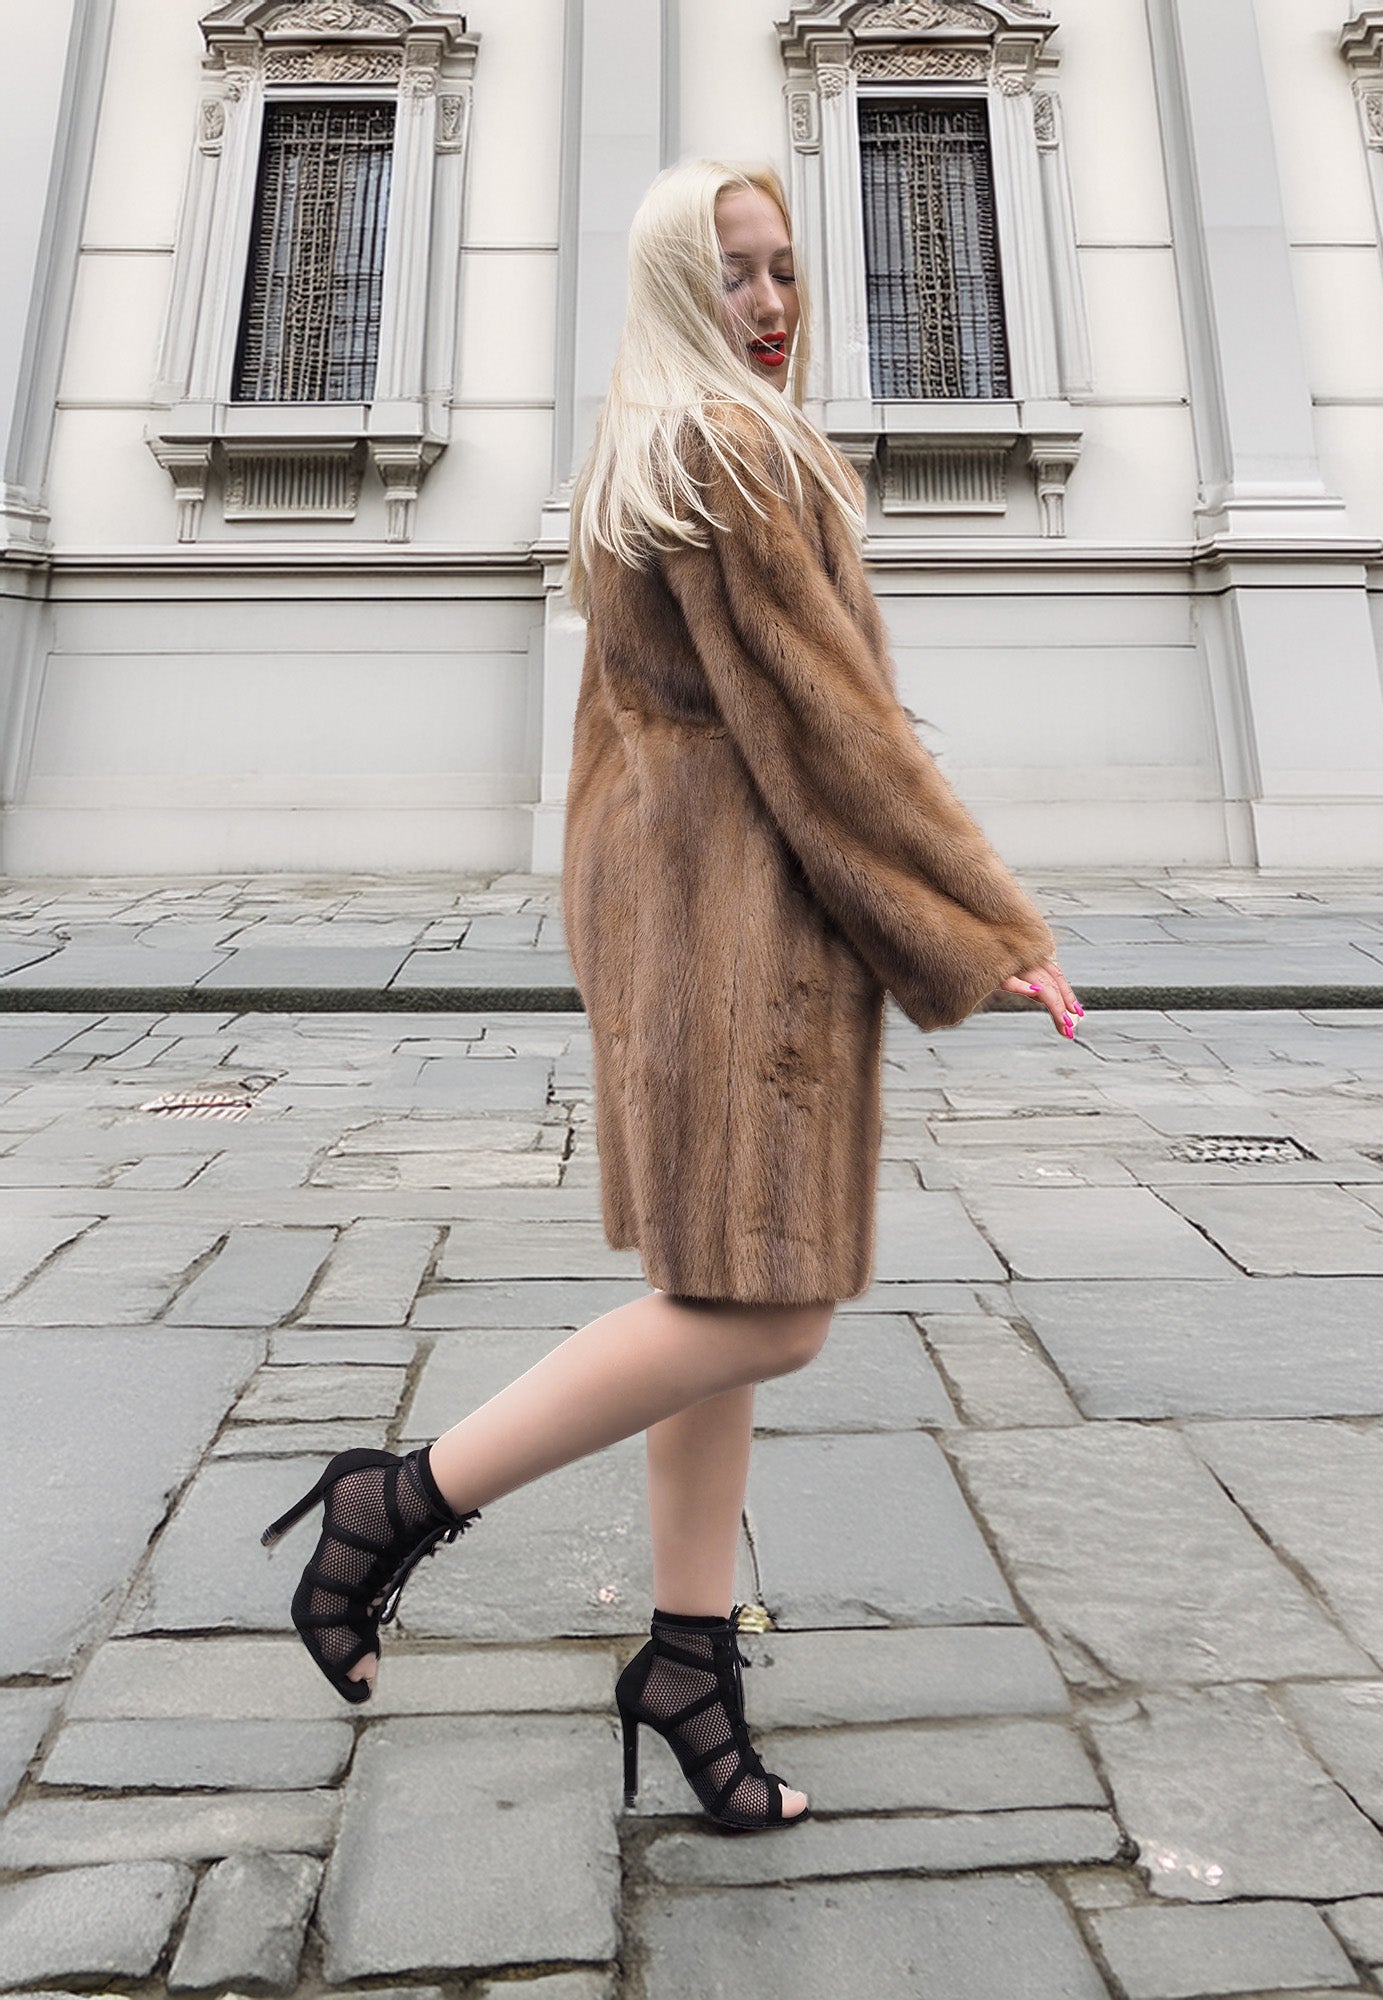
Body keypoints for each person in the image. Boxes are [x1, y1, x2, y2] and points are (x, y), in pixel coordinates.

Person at [261, 158, 1081, 1837]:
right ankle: (391, 1503)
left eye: (784, 272)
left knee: (726, 1311)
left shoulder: (661, 446)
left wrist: (625, 921)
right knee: (765, 1311)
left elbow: (629, 741)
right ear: (672, 292)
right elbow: (835, 736)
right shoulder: (722, 454)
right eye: (737, 279)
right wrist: (985, 922)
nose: (772, 308)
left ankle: (689, 1664)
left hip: (696, 915)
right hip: (738, 928)